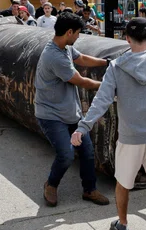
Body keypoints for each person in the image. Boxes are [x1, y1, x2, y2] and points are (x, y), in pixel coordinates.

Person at [72, 18, 146, 230]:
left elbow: (101, 100)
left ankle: (122, 223)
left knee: (123, 182)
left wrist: (83, 127)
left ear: (126, 39)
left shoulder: (116, 67)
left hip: (129, 136)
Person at [35, 12, 111, 208]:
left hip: (70, 112)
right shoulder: (54, 56)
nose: (79, 36)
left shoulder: (66, 47)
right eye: (78, 33)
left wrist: (106, 62)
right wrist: (108, 86)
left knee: (87, 152)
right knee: (66, 154)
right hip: (52, 115)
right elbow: (81, 81)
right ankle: (51, 184)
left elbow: (82, 58)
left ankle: (89, 190)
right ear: (69, 32)